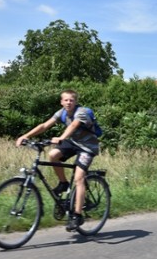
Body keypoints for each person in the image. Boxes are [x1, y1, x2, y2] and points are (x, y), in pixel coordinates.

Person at [15, 89, 100, 232]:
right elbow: (44, 125)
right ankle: (63, 183)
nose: (68, 102)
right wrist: (25, 136)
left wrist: (61, 138)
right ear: (61, 102)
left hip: (87, 147)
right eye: (65, 100)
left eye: (71, 100)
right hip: (73, 143)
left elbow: (73, 126)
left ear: (75, 102)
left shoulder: (82, 112)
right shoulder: (61, 113)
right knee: (53, 155)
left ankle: (77, 216)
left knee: (79, 178)